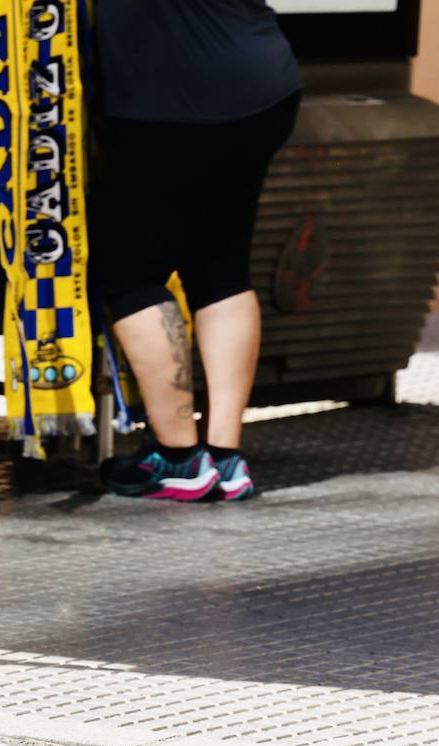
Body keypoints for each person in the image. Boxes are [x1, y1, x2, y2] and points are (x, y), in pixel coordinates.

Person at [93, 0, 302, 501]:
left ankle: (179, 456)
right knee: (222, 267)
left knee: (130, 272)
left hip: (166, 99)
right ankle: (225, 457)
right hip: (261, 82)